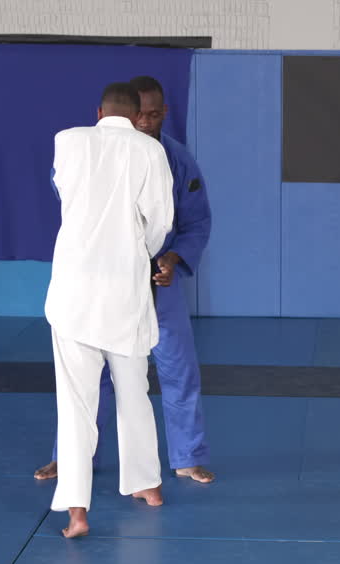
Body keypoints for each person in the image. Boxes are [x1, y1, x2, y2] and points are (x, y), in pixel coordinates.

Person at [35, 75, 215, 486]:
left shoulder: (175, 159)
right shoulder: (86, 151)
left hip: (159, 280)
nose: (147, 123)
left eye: (154, 115)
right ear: (127, 115)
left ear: (165, 113)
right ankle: (71, 457)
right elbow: (74, 206)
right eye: (141, 116)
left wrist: (172, 258)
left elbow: (194, 221)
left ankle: (187, 457)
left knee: (178, 369)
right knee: (89, 374)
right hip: (102, 279)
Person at [44, 82, 174, 538]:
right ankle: (147, 485)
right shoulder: (149, 150)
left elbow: (66, 196)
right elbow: (161, 221)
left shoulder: (67, 140)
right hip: (123, 291)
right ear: (138, 116)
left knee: (75, 404)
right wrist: (139, 250)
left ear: (98, 112)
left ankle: (76, 510)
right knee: (133, 390)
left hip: (73, 292)